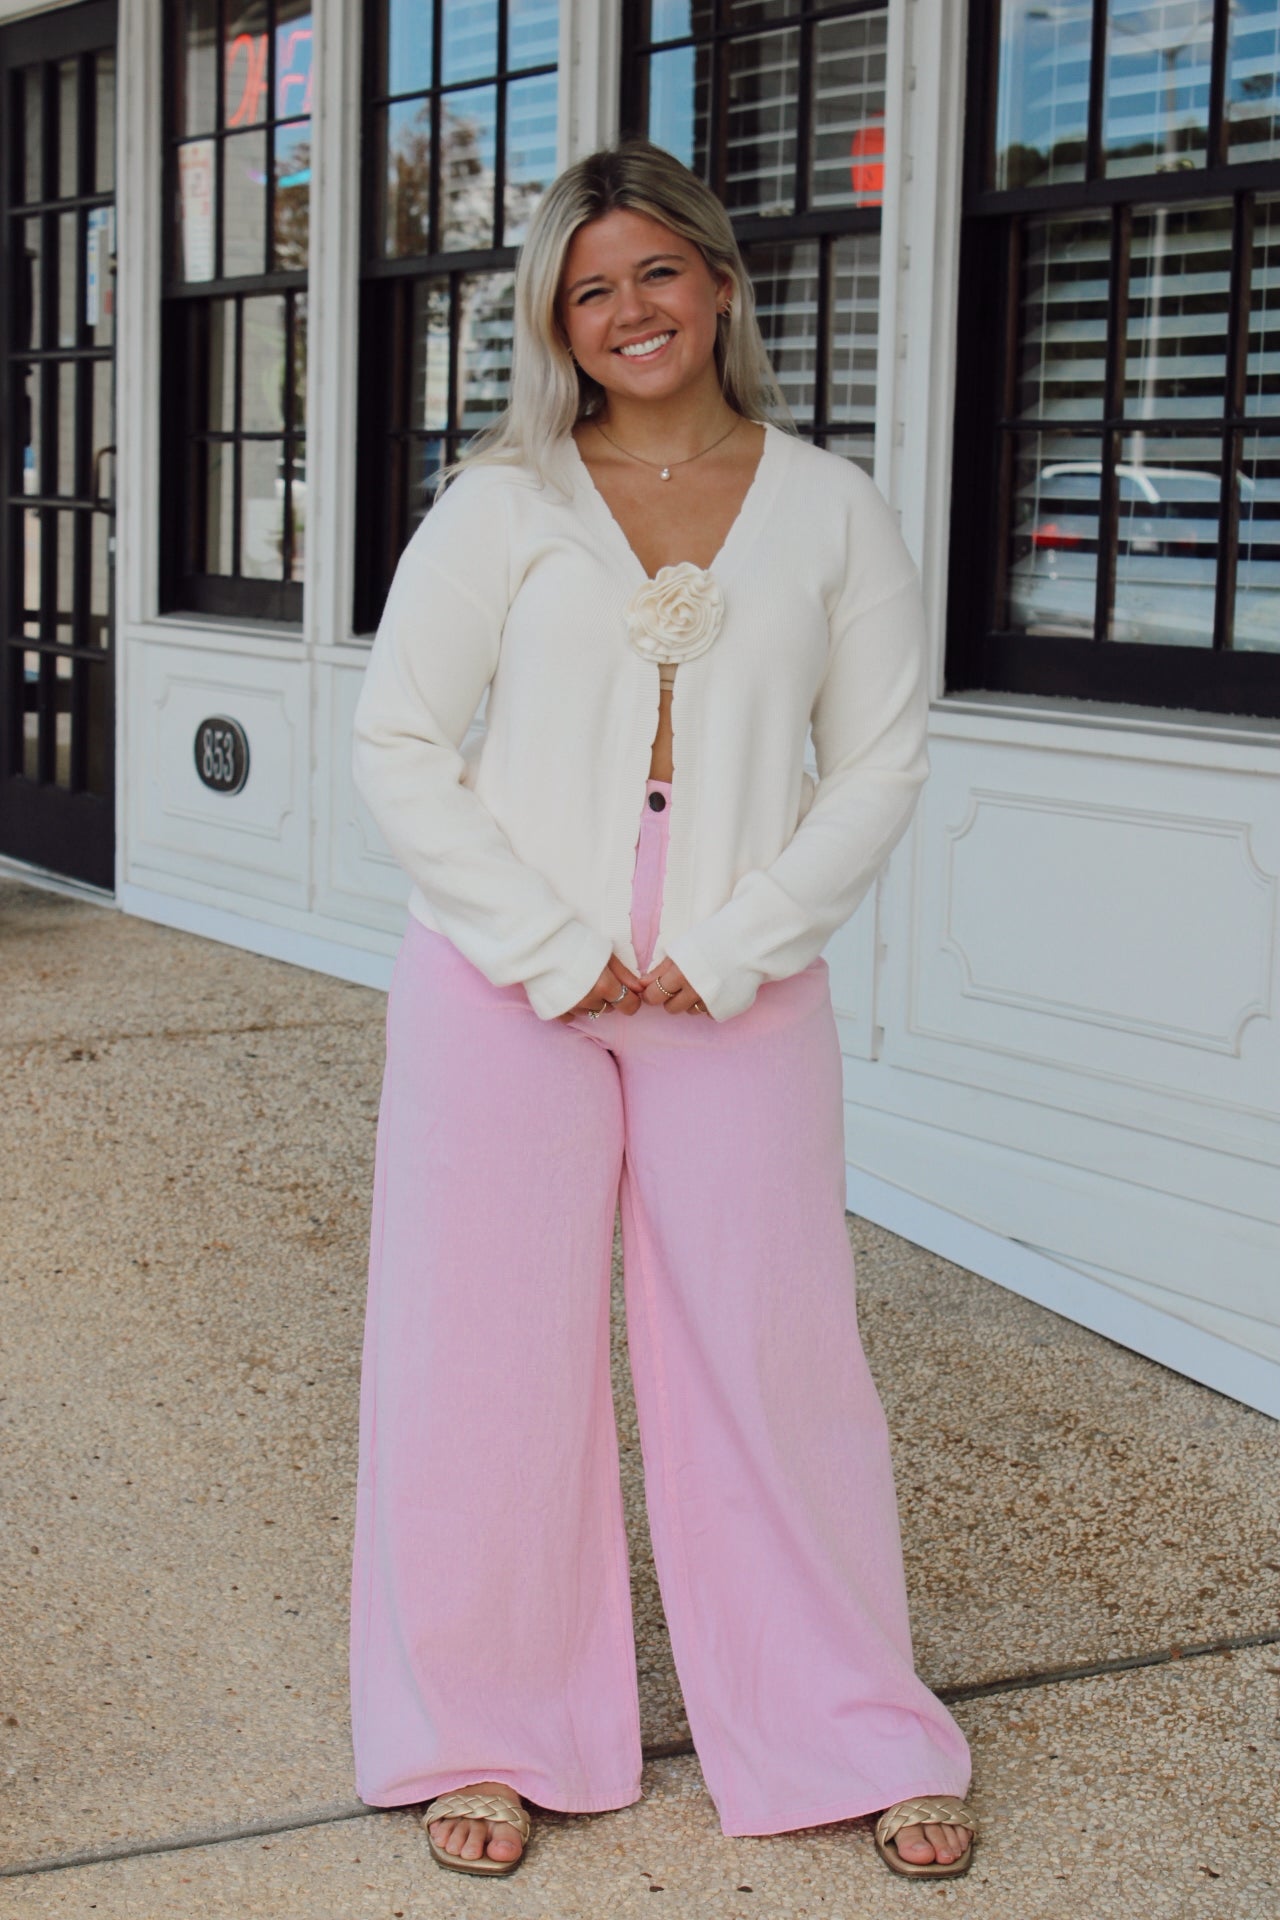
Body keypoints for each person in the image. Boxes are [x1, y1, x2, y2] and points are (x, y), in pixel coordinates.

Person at [348, 138, 978, 1884]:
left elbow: (881, 761)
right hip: (502, 976)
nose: (627, 310)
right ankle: (485, 1727)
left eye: (654, 273)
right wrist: (547, 948)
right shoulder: (502, 505)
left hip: (735, 983)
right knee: (482, 1355)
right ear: (557, 318)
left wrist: (744, 937)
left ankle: (852, 1726)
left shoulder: (831, 507)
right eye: (588, 287)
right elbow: (399, 741)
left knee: (774, 1348)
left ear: (718, 282)